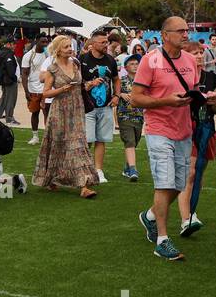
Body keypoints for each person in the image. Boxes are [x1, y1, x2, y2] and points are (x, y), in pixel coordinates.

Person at [130, 16, 214, 261]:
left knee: (178, 184)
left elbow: (193, 90)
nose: (186, 34)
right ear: (165, 35)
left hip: (184, 129)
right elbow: (135, 98)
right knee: (165, 183)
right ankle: (162, 241)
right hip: (158, 129)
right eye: (180, 31)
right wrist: (166, 101)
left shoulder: (189, 60)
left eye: (187, 30)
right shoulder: (150, 60)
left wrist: (205, 98)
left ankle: (150, 216)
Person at [34, 35, 98, 198]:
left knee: (78, 144)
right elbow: (46, 92)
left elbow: (80, 85)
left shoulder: (76, 64)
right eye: (66, 47)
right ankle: (52, 179)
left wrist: (89, 84)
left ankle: (83, 185)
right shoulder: (52, 69)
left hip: (76, 109)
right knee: (58, 145)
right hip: (59, 111)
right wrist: (62, 89)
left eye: (70, 46)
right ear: (57, 50)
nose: (70, 49)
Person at [177, 42, 216, 236]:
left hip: (206, 128)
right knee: (190, 173)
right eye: (194, 53)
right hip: (187, 128)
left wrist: (214, 102)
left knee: (199, 173)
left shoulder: (210, 77)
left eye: (201, 52)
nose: (200, 55)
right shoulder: (181, 77)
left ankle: (192, 211)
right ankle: (186, 219)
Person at [79, 29, 117, 184]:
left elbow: (116, 79)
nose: (105, 45)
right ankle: (84, 168)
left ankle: (98, 170)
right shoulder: (82, 60)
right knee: (87, 139)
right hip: (88, 106)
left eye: (106, 42)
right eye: (102, 42)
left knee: (101, 139)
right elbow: (77, 82)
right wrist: (89, 84)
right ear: (93, 44)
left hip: (106, 106)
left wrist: (116, 96)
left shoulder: (110, 60)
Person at [117, 57, 144, 181]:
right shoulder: (121, 81)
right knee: (130, 141)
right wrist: (121, 94)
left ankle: (127, 167)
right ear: (126, 67)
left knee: (135, 140)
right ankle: (133, 170)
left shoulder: (143, 82)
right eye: (131, 64)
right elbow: (114, 93)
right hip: (125, 115)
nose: (135, 66)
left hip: (139, 116)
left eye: (137, 63)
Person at [21, 34, 51, 146]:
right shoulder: (28, 56)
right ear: (36, 41)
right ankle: (35, 136)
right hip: (33, 88)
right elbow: (24, 74)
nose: (45, 44)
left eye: (46, 42)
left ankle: (48, 137)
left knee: (47, 113)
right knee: (35, 112)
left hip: (46, 88)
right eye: (42, 42)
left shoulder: (48, 55)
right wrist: (26, 91)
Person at [0, 37, 20, 125]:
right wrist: (14, 78)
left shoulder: (1, 53)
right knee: (10, 99)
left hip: (4, 79)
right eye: (13, 44)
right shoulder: (8, 54)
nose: (15, 45)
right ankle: (9, 117)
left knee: (4, 97)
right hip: (9, 80)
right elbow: (10, 69)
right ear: (8, 44)